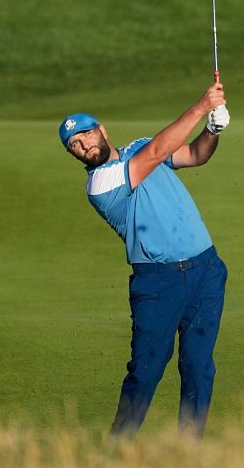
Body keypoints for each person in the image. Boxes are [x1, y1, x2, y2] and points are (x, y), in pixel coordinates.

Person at [59, 83, 230, 438]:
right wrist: (200, 107)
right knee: (147, 369)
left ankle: (189, 450)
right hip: (158, 283)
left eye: (86, 135)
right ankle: (118, 447)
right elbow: (155, 153)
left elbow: (196, 154)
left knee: (199, 367)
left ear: (101, 130)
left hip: (205, 271)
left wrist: (212, 130)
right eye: (75, 146)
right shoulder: (100, 185)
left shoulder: (136, 147)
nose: (84, 146)